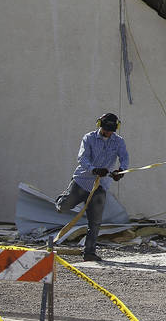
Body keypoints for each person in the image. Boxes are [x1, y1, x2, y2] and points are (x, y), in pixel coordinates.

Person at [55, 112, 129, 262]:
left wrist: (121, 171)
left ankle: (89, 252)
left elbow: (124, 157)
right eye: (105, 129)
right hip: (82, 182)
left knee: (95, 222)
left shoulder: (119, 142)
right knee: (63, 207)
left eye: (111, 130)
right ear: (99, 125)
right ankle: (62, 198)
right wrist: (94, 169)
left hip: (100, 186)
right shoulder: (88, 138)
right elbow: (82, 158)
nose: (107, 132)